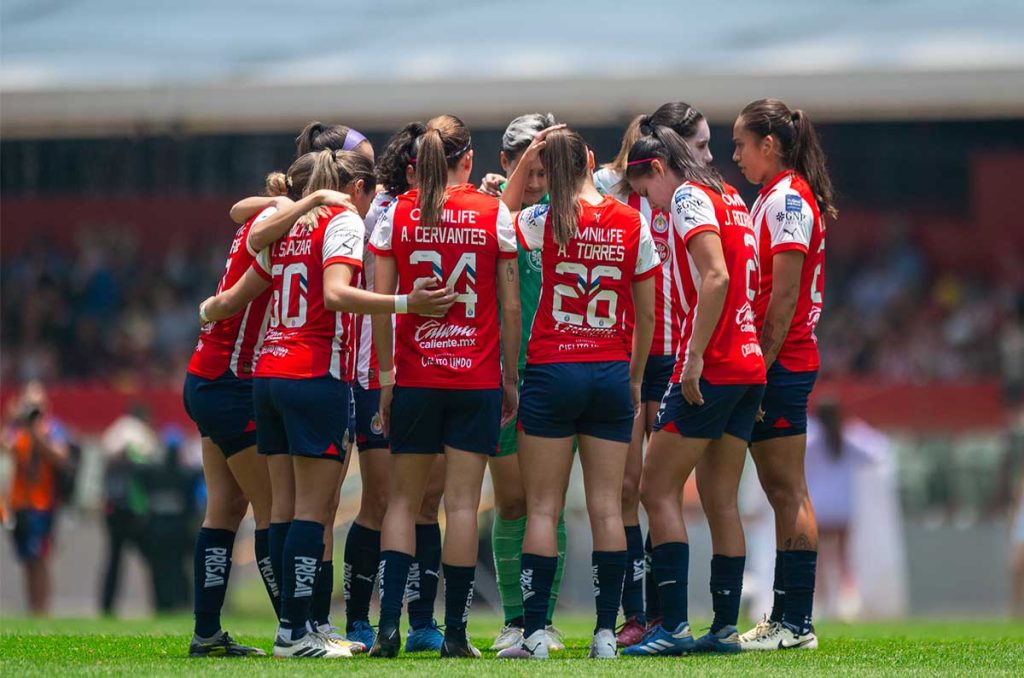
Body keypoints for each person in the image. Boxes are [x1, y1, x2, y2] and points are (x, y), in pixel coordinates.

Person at [201, 149, 455, 659]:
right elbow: (336, 294)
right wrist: (409, 303)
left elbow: (247, 241)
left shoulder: (282, 224)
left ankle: (297, 628)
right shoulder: (341, 222)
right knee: (312, 514)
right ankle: (297, 634)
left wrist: (214, 307)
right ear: (354, 189)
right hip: (315, 373)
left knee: (284, 513)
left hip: (267, 374)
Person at [497, 127, 659, 660]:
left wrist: (526, 163)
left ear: (548, 165)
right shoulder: (630, 221)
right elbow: (648, 314)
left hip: (550, 371)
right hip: (610, 373)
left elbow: (502, 212)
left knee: (542, 510)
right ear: (592, 160)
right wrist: (634, 379)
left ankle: (536, 633)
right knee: (608, 511)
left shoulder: (539, 219)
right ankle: (606, 635)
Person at [367, 114, 521, 659]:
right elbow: (508, 305)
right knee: (460, 505)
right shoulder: (492, 213)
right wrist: (510, 378)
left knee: (402, 505)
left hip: (415, 376)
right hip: (475, 378)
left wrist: (386, 379)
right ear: (468, 160)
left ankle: (388, 630)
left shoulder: (397, 214)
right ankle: (455, 635)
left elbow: (382, 309)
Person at [620, 113, 766, 656]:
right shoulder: (729, 193)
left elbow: (716, 275)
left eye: (644, 189)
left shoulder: (685, 198)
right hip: (749, 367)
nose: (651, 204)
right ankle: (724, 627)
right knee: (721, 500)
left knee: (656, 491)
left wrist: (694, 358)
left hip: (712, 365)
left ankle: (673, 626)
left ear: (658, 167)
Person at [592, 106, 711, 647]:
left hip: (677, 354)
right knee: (625, 486)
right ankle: (636, 612)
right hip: (630, 355)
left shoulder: (697, 197)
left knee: (661, 489)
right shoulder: (618, 189)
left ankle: (668, 613)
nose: (704, 156)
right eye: (699, 145)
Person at [732, 98, 835, 651]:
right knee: (780, 490)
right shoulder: (774, 197)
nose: (736, 156)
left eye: (742, 145)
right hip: (781, 362)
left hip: (783, 363)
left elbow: (786, 295)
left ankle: (795, 623)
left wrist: (759, 366)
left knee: (788, 490)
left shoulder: (788, 201)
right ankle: (788, 619)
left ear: (768, 145)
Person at [183, 165, 298, 656]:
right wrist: (211, 309)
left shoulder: (252, 222)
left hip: (208, 377)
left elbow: (237, 210)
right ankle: (295, 629)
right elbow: (232, 301)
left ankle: (206, 633)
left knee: (226, 509)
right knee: (273, 510)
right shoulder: (274, 236)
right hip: (229, 383)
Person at [343, 124, 449, 653]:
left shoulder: (455, 210)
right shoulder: (379, 215)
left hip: (437, 371)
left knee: (429, 500)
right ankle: (359, 618)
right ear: (409, 171)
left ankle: (423, 621)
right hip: (375, 373)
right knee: (382, 499)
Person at [479, 112, 570, 653]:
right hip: (501, 374)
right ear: (506, 165)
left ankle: (542, 619)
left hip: (557, 371)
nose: (537, 182)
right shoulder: (491, 209)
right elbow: (499, 218)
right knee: (511, 500)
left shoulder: (573, 208)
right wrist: (512, 190)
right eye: (526, 170)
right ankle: (515, 620)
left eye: (545, 171)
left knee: (547, 504)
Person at [1, 381, 69, 615]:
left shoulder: (52, 429)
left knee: (40, 558)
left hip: (43, 504)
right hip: (20, 502)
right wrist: (12, 420)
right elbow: (4, 446)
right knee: (27, 560)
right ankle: (32, 608)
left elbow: (61, 457)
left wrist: (37, 434)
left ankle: (42, 609)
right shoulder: (16, 431)